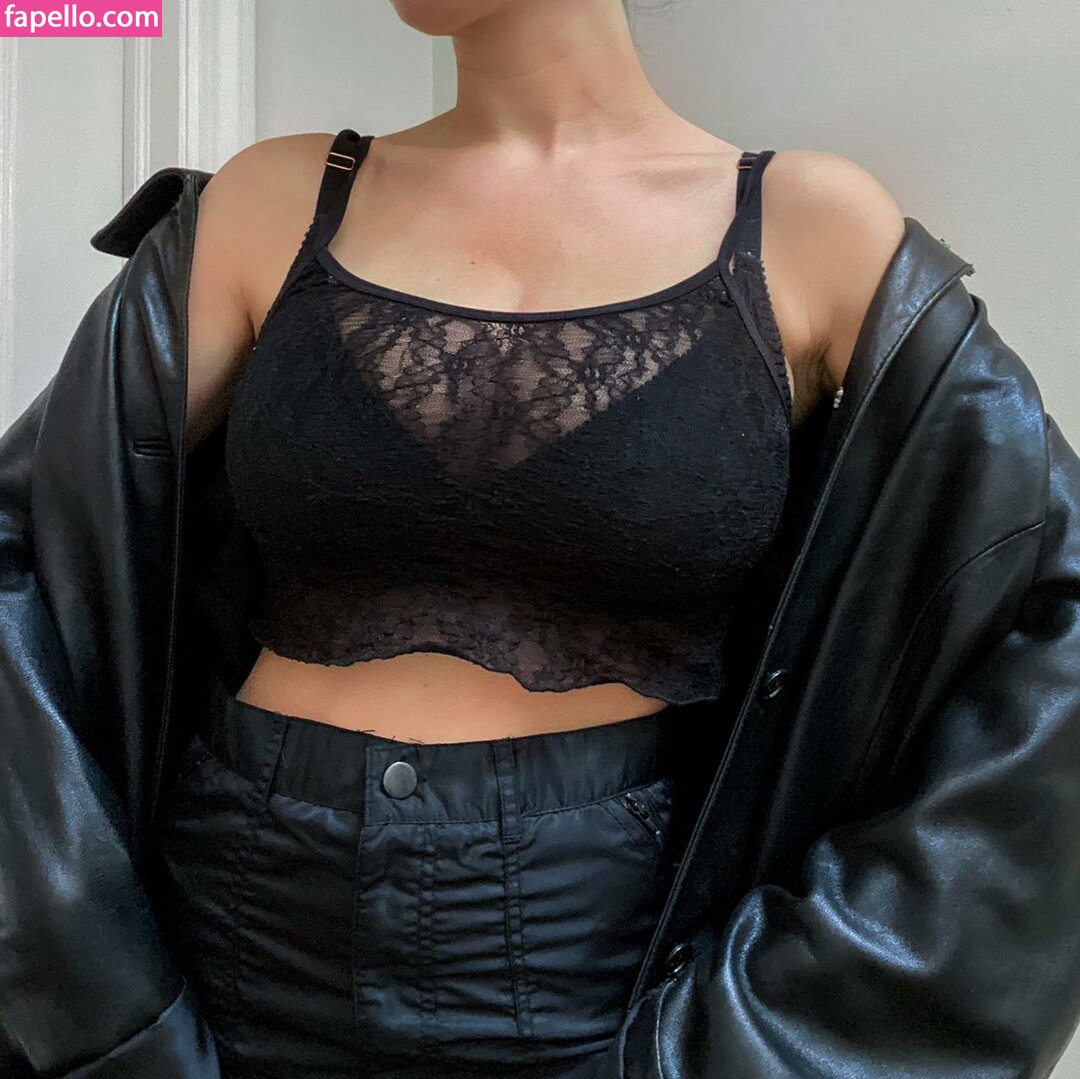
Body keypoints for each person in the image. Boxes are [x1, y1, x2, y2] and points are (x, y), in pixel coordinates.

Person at [156, 0, 906, 1076]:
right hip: (234, 906)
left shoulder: (812, 228)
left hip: (596, 951)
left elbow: (1026, 603)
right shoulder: (272, 198)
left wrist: (815, 982)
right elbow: (46, 540)